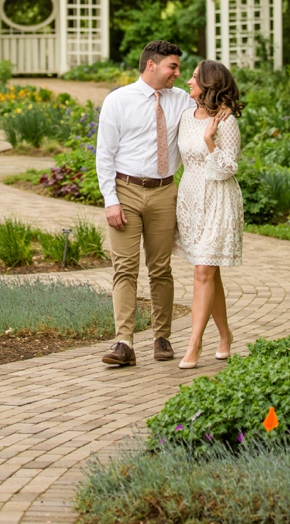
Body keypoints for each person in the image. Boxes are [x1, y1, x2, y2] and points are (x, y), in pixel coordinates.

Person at [95, 39, 192, 367]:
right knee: (124, 268)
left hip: (165, 192)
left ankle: (162, 336)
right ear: (152, 65)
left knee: (161, 268)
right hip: (126, 191)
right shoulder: (118, 101)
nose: (178, 73)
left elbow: (207, 117)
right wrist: (111, 200)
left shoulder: (182, 101)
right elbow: (104, 155)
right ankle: (124, 342)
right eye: (173, 66)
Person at [175, 60, 245, 368]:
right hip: (191, 198)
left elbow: (228, 168)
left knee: (203, 271)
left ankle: (194, 345)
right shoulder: (185, 115)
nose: (188, 81)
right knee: (209, 272)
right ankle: (225, 336)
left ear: (209, 84)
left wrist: (209, 141)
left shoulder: (226, 121)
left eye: (193, 78)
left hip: (218, 198)